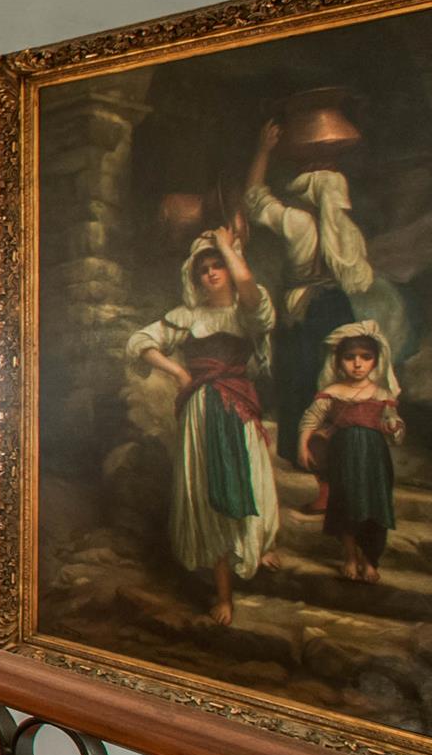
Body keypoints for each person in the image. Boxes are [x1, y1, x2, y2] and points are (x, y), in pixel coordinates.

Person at [243, 89, 402, 510]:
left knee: (310, 395)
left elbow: (254, 200)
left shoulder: (298, 220)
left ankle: (329, 490)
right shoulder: (345, 232)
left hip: (305, 314)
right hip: (337, 309)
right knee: (335, 394)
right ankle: (337, 489)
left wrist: (263, 151)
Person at [127, 228, 281, 625]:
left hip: (239, 406)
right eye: (204, 269)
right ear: (195, 277)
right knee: (210, 494)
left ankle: (257, 546)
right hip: (202, 412)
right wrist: (179, 371)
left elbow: (251, 293)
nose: (211, 273)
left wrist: (227, 246)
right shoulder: (189, 316)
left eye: (218, 265)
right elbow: (140, 341)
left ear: (230, 268)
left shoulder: (246, 312)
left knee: (253, 480)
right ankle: (224, 593)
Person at [298, 322, 403, 584]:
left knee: (374, 506)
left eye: (365, 357)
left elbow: (393, 423)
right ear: (338, 361)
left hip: (374, 459)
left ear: (375, 361)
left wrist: (393, 426)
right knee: (345, 505)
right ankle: (350, 556)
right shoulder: (332, 392)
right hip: (343, 456)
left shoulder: (382, 394)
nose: (358, 364)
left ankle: (369, 560)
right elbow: (310, 419)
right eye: (350, 357)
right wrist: (302, 445)